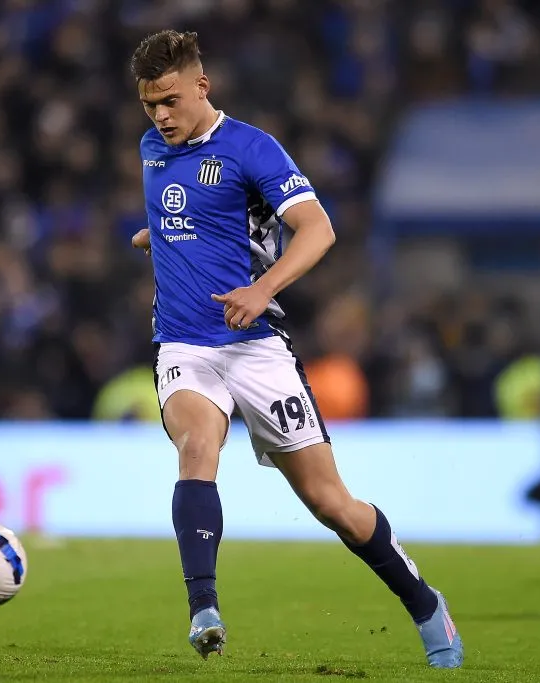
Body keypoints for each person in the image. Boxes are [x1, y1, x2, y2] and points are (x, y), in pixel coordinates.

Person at [128, 30, 463, 668]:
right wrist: (161, 234)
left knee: (331, 505)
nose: (160, 116)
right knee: (197, 448)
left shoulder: (252, 148)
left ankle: (424, 602)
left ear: (202, 87)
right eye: (150, 105)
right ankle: (204, 609)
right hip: (184, 343)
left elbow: (318, 229)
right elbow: (194, 213)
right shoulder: (152, 149)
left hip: (256, 347)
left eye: (170, 101)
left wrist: (263, 289)